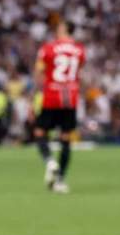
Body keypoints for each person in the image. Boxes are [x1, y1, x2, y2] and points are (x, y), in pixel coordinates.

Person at [35, 20, 86, 193]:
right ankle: (60, 180)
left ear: (64, 29)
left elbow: (39, 70)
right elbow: (79, 72)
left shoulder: (48, 48)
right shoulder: (80, 50)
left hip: (51, 95)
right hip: (70, 97)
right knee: (65, 139)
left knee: (40, 133)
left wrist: (40, 86)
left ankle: (49, 161)